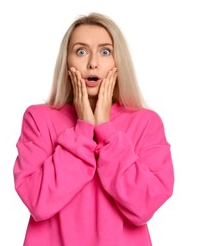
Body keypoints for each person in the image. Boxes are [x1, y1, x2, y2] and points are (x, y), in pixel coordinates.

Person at [13, 12, 174, 246]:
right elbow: (38, 201)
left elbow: (144, 206)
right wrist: (84, 129)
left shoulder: (146, 123)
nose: (93, 63)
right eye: (81, 51)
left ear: (119, 62)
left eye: (105, 51)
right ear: (66, 62)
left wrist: (105, 130)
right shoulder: (38, 118)